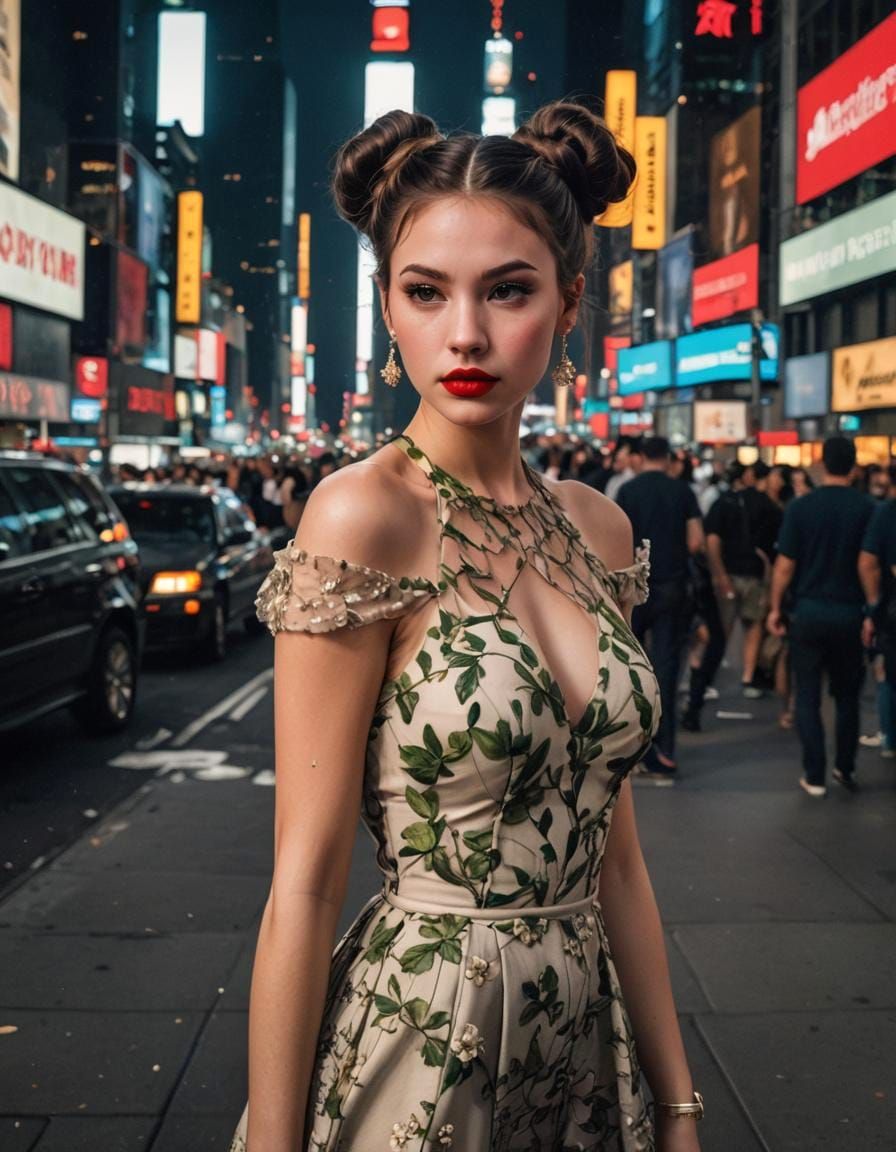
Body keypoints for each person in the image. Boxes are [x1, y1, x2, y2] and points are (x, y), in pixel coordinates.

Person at [230, 102, 702, 1152]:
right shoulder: (364, 516)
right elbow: (302, 882)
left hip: (587, 1045)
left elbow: (615, 862)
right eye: (425, 291)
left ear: (568, 302)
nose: (466, 335)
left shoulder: (596, 526)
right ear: (387, 309)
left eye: (508, 290)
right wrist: (270, 1140)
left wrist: (673, 1103)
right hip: (425, 1043)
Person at [767, 437, 874, 796]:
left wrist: (775, 608)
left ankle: (814, 774)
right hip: (850, 612)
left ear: (822, 464)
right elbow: (871, 565)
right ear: (854, 466)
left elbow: (784, 567)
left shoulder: (801, 508)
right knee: (847, 696)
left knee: (808, 694)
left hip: (808, 611)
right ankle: (845, 767)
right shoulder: (869, 508)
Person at [617, 436, 704, 780]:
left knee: (629, 668)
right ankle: (664, 748)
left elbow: (616, 538)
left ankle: (628, 747)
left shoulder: (628, 491)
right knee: (666, 667)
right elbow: (696, 540)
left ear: (640, 457)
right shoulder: (682, 491)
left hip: (636, 588)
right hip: (672, 588)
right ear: (667, 458)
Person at [704, 462, 778, 698]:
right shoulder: (768, 506)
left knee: (721, 629)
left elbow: (712, 540)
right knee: (753, 627)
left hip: (729, 571)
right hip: (755, 574)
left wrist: (719, 575)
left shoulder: (723, 502)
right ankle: (748, 677)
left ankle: (707, 679)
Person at [858, 494, 896, 761]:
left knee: (886, 672)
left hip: (891, 612)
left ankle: (889, 737)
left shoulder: (887, 513)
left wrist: (873, 608)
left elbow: (867, 564)